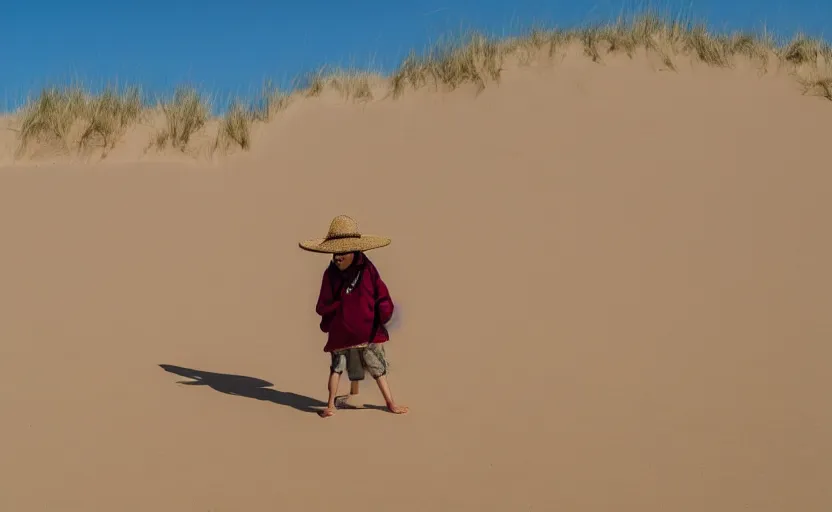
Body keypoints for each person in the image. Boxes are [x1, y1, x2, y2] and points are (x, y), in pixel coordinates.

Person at [299, 215, 409, 418]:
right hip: (348, 333)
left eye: (342, 253)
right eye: (334, 253)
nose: (337, 258)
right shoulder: (333, 274)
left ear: (354, 251)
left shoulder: (367, 270)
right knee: (342, 369)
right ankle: (331, 404)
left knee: (371, 369)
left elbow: (382, 297)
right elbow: (322, 306)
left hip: (363, 333)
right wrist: (340, 307)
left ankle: (388, 403)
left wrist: (380, 316)